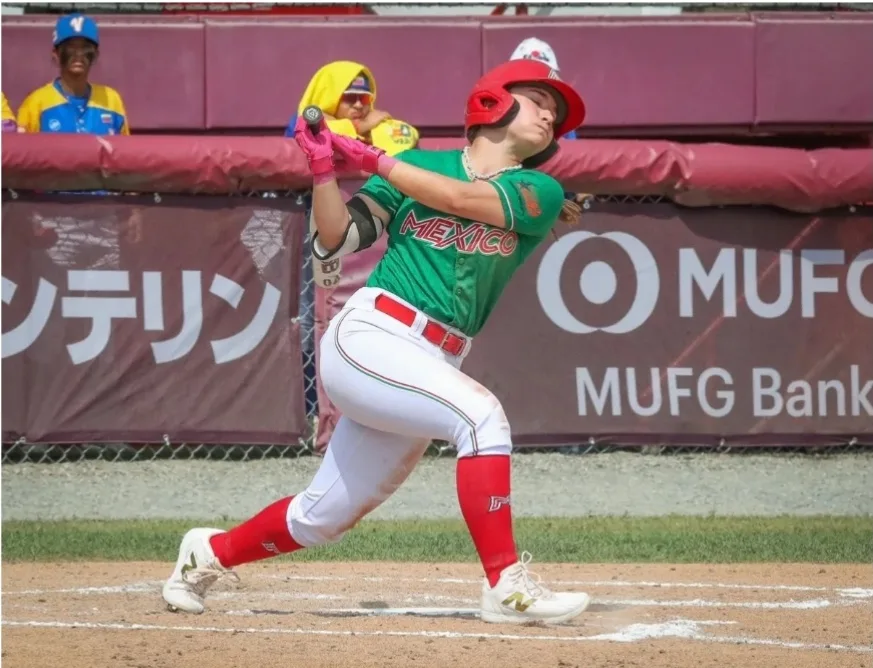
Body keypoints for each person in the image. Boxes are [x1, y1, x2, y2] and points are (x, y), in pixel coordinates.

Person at [162, 59, 591, 625]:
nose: (549, 115)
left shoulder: (538, 188)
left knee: (322, 517)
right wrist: (323, 171)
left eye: (554, 112)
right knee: (482, 417)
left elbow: (462, 201)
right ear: (493, 102)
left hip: (434, 357)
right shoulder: (413, 165)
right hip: (372, 336)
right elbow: (338, 237)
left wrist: (372, 158)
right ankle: (506, 587)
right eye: (538, 99)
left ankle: (207, 555)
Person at [16, 13, 129, 135]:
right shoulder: (36, 103)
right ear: (56, 54)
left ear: (95, 55)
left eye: (85, 49)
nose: (78, 55)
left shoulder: (111, 100)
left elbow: (124, 151)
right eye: (70, 48)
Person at [510, 38, 577, 140]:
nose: (536, 81)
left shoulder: (562, 118)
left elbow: (570, 150)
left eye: (544, 74)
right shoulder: (496, 116)